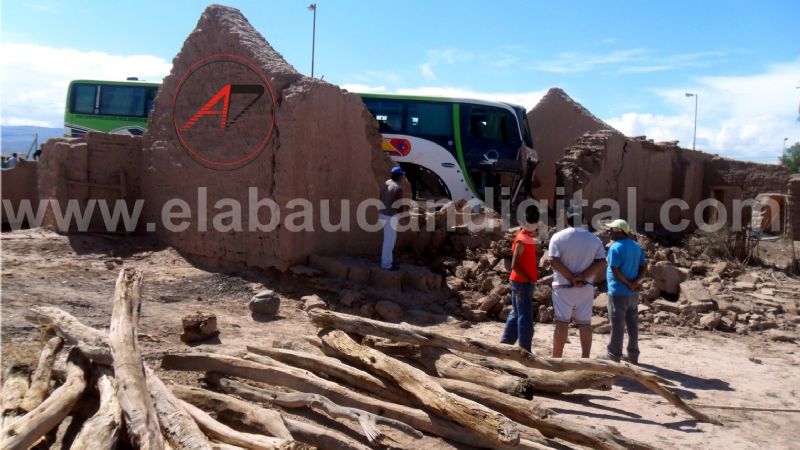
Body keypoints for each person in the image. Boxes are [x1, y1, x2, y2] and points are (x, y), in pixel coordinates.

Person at [548, 206, 606, 358]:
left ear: (566, 219)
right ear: (585, 220)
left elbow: (553, 260)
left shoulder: (558, 237)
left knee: (562, 323)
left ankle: (557, 360)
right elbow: (601, 262)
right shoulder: (594, 239)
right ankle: (585, 359)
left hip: (562, 288)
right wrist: (583, 277)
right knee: (585, 324)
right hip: (585, 288)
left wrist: (571, 277)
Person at [603, 219, 647, 364]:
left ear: (619, 231)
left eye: (612, 230)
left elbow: (615, 270)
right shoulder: (636, 246)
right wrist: (636, 283)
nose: (609, 232)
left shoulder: (615, 248)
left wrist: (629, 283)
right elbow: (644, 266)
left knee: (617, 325)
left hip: (618, 292)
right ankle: (633, 355)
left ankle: (614, 355)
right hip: (632, 293)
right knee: (632, 324)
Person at [500, 206, 540, 352]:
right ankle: (525, 350)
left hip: (519, 282)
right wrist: (529, 279)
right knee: (525, 317)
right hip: (522, 283)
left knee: (516, 314)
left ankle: (504, 345)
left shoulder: (526, 237)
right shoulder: (522, 240)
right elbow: (515, 265)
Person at [378, 166, 405, 270]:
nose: (403, 177)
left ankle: (388, 262)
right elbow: (398, 204)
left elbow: (380, 197)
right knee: (389, 241)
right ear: (400, 176)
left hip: (382, 213)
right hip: (390, 216)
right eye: (402, 175)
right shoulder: (398, 187)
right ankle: (386, 265)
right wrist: (403, 211)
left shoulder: (386, 183)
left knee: (388, 240)